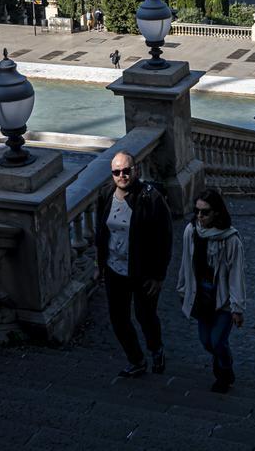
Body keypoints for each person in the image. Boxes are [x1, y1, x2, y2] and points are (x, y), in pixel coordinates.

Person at [95, 151, 173, 377]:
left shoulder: (151, 198)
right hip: (114, 269)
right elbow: (102, 232)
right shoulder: (105, 195)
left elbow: (165, 238)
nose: (122, 175)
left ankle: (156, 349)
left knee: (145, 316)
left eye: (126, 171)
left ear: (135, 170)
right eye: (117, 172)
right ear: (112, 174)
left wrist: (159, 276)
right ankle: (136, 360)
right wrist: (99, 265)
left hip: (142, 271)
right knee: (118, 319)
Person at [177, 189, 246, 394]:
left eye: (204, 212)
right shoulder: (191, 231)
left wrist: (237, 307)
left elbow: (236, 274)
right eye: (197, 211)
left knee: (217, 341)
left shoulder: (231, 240)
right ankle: (223, 360)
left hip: (222, 299)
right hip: (202, 298)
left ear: (216, 213)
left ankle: (224, 371)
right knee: (206, 341)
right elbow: (185, 263)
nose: (199, 216)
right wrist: (183, 289)